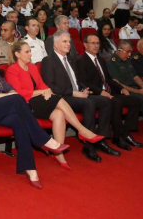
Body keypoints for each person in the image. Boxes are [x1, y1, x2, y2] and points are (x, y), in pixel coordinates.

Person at [0, 41, 69, 188]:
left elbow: (12, 90)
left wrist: (9, 96)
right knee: (16, 99)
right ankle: (44, 140)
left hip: (2, 110)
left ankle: (30, 169)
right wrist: (6, 97)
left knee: (19, 121)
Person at [7, 41, 104, 169]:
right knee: (58, 99)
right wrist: (43, 91)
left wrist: (46, 91)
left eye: (30, 51)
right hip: (26, 104)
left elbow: (42, 84)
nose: (30, 54)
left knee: (59, 114)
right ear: (17, 54)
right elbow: (19, 93)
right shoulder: (12, 70)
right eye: (27, 52)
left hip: (39, 100)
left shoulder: (32, 67)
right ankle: (82, 130)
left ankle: (59, 153)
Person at [41, 30, 117, 162]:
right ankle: (89, 145)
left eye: (69, 41)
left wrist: (84, 89)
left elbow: (77, 80)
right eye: (64, 41)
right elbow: (51, 87)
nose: (68, 44)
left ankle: (101, 138)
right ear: (55, 44)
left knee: (105, 101)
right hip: (63, 98)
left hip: (77, 95)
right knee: (89, 103)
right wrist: (74, 93)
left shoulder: (71, 59)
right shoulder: (48, 60)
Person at [77, 34, 143, 150]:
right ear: (85, 45)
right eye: (92, 43)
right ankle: (117, 137)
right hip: (96, 94)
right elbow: (84, 82)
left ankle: (125, 133)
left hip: (109, 91)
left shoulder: (101, 61)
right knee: (116, 102)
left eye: (98, 43)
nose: (96, 46)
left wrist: (121, 88)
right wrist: (100, 92)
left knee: (136, 100)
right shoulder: (81, 61)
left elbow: (108, 79)